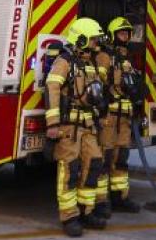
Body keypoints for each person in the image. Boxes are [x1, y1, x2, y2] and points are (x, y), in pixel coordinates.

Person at [46, 18, 110, 237]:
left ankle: (86, 211)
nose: (95, 43)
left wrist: (101, 115)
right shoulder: (64, 61)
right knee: (69, 171)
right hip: (69, 128)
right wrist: (52, 123)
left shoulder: (89, 63)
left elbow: (96, 94)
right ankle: (69, 217)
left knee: (94, 165)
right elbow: (52, 88)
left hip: (89, 125)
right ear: (81, 38)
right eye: (92, 39)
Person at [94, 16, 143, 214]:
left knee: (121, 158)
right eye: (121, 33)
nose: (124, 36)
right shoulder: (105, 56)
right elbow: (98, 85)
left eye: (127, 33)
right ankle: (100, 201)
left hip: (125, 118)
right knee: (104, 159)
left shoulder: (127, 59)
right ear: (112, 35)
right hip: (109, 117)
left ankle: (120, 197)